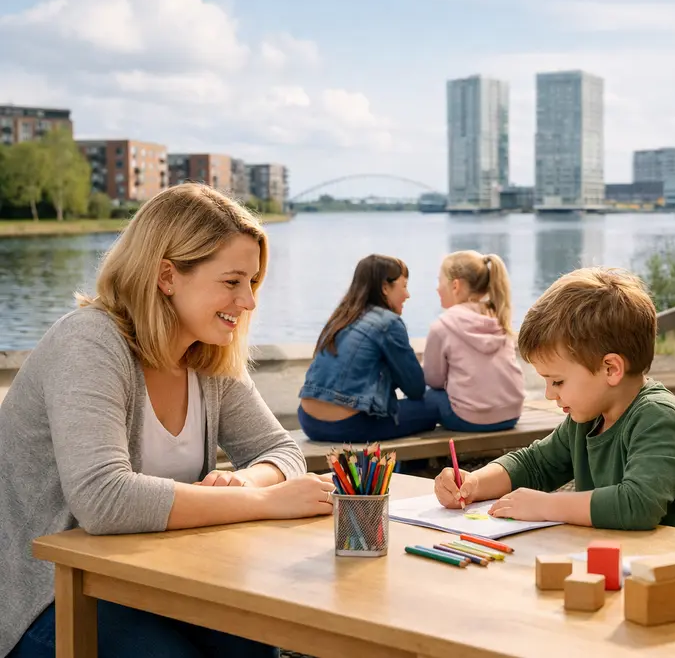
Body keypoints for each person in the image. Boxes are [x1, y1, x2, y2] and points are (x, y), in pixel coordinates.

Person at [0, 183, 335, 658]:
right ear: (167, 276)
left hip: (145, 578)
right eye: (232, 281)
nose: (249, 301)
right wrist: (264, 501)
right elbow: (103, 499)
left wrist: (243, 482)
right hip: (45, 595)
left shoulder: (207, 356)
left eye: (253, 283)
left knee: (257, 644)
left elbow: (279, 451)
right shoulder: (90, 344)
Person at [432, 267, 675, 537]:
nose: (550, 394)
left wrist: (547, 505)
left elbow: (637, 504)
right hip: (634, 566)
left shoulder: (658, 418)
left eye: (558, 381)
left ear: (610, 369)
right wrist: (474, 483)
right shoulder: (589, 416)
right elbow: (535, 464)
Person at [298, 254, 437, 443]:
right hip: (348, 425)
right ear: (385, 288)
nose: (407, 294)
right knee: (434, 404)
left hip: (309, 422)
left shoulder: (341, 317)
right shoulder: (388, 323)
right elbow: (415, 388)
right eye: (403, 286)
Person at [422, 250, 525, 432]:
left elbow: (434, 379)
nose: (437, 288)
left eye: (440, 281)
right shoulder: (499, 316)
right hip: (511, 414)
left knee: (430, 397)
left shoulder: (443, 325)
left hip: (470, 419)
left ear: (455, 285)